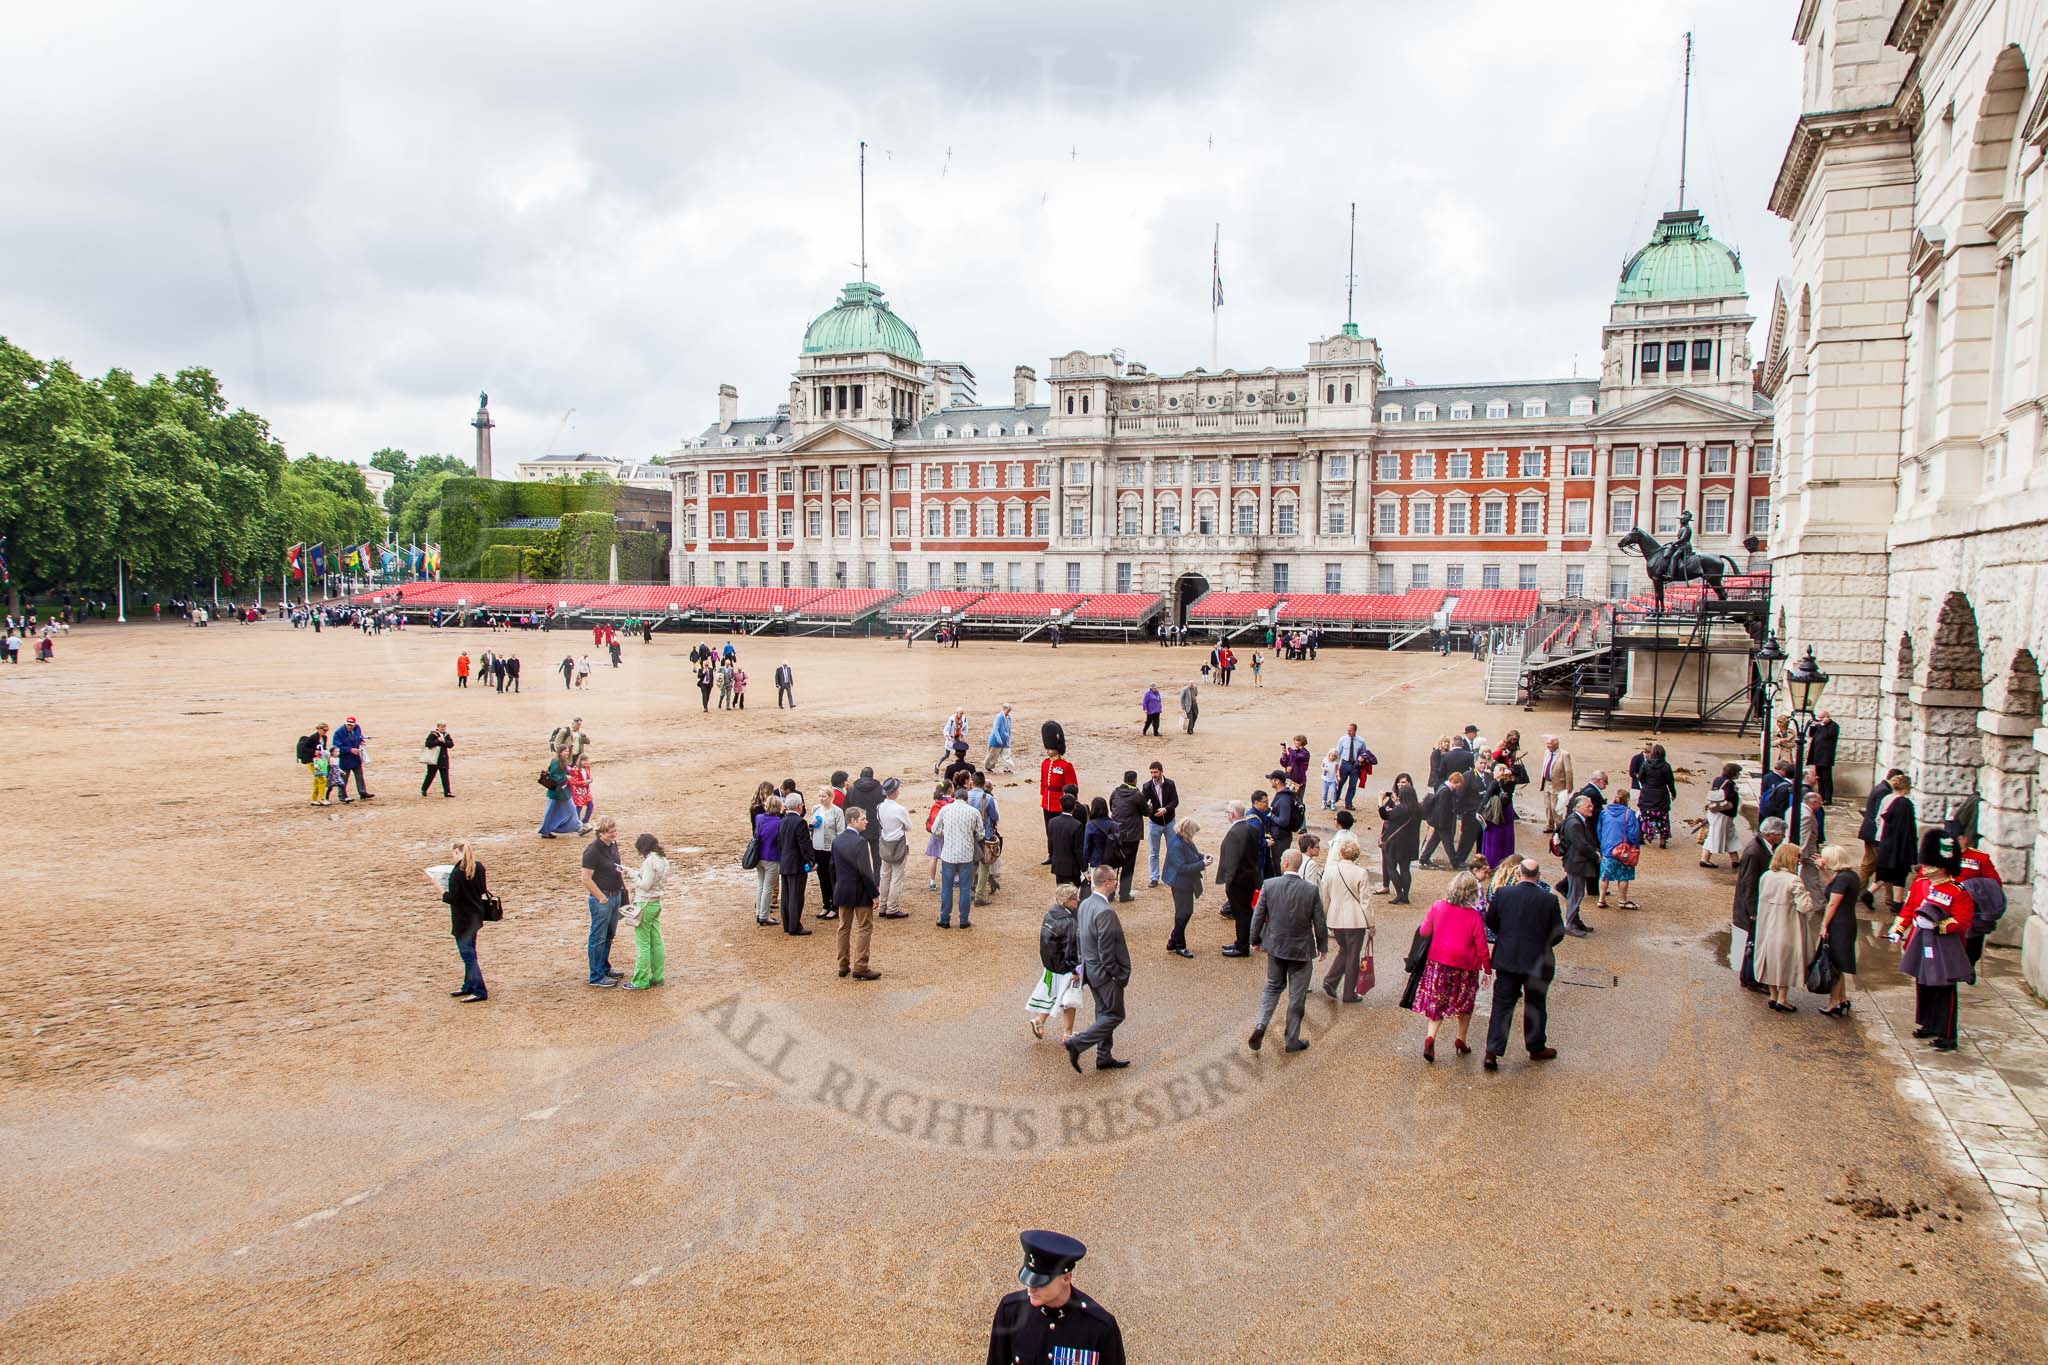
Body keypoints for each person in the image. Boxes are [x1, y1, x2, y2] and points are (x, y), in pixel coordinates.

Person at [985, 1230, 1125, 1365]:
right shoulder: (1010, 1311)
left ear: (1066, 1278)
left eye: (1041, 1282)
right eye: (1029, 1280)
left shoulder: (1099, 1327)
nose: (1031, 1288)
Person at [1894, 830, 1975, 1051]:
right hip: (1921, 941)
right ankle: (1928, 1023)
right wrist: (1899, 928)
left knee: (1943, 989)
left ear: (1942, 866)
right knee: (1923, 984)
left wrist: (1939, 926)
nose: (1925, 870)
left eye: (1930, 866)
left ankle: (1948, 1034)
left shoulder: (1957, 891)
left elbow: (1963, 921)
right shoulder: (1921, 884)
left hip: (1943, 946)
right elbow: (1909, 908)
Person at [1482, 860, 1564, 1069]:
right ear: (1538, 875)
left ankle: (1493, 1050)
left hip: (1508, 957)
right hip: (1537, 960)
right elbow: (1558, 933)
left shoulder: (1503, 894)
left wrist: (1506, 936)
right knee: (1535, 1005)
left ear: (1519, 874)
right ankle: (1535, 1047)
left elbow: (1491, 921)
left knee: (1502, 1005)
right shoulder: (1549, 900)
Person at [1247, 849, 1327, 1053]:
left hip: (1276, 945)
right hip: (1301, 949)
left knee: (1272, 987)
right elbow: (1319, 921)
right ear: (1299, 865)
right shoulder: (1310, 890)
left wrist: (1254, 939)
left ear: (1284, 864)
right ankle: (1292, 1039)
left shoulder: (1270, 885)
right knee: (1296, 996)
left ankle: (1260, 1025)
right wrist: (1322, 946)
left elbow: (1258, 916)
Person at [1413, 872, 1492, 1062]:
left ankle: (1431, 1036)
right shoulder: (1473, 916)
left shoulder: (1437, 906)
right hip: (1465, 966)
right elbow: (1481, 946)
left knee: (1437, 1002)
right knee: (1465, 1003)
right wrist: (1487, 969)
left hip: (1438, 961)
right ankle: (1460, 1039)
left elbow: (1424, 931)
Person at [1065, 867, 1132, 1071]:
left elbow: (1079, 936)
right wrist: (1117, 974)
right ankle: (1079, 1043)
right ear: (1108, 883)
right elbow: (1106, 951)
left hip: (1090, 970)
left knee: (1103, 1012)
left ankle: (1104, 1056)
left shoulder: (1085, 904)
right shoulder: (1105, 911)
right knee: (1115, 1015)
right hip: (1105, 974)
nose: (1117, 882)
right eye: (1115, 879)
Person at [1754, 842, 1816, 1012]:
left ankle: (1773, 995)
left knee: (1771, 960)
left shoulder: (1766, 876)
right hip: (1787, 925)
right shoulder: (1793, 880)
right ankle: (1782, 998)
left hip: (1767, 924)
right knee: (1785, 961)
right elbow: (1805, 906)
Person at [1732, 817, 1788, 991]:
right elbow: (1748, 883)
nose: (1783, 837)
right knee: (1754, 945)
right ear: (1771, 835)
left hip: (1757, 904)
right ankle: (1751, 979)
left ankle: (1752, 977)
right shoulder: (1754, 852)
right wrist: (1753, 911)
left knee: (1755, 944)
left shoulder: (1762, 847)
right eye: (1781, 834)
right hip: (1753, 906)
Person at [1319, 838, 1373, 1003]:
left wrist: (1323, 918)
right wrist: (1371, 923)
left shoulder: (1329, 871)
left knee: (1345, 950)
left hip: (1335, 918)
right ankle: (1348, 992)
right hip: (1355, 920)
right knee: (1352, 954)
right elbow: (1366, 901)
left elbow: (1325, 898)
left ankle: (1331, 980)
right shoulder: (1361, 873)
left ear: (1341, 853)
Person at [831, 807, 881, 980]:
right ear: (852, 821)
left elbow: (832, 868)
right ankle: (860, 965)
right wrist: (874, 893)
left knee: (844, 927)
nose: (866, 821)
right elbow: (865, 872)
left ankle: (843, 964)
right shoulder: (860, 842)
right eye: (862, 819)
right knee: (864, 927)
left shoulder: (837, 841)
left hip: (843, 888)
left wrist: (835, 887)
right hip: (859, 891)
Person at [1029, 886, 1085, 1041]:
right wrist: (1076, 970)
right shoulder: (1069, 922)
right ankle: (1067, 1034)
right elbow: (1071, 949)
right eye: (1074, 898)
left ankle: (1039, 1021)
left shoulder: (1050, 914)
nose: (1077, 900)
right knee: (1069, 1000)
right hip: (1065, 967)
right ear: (1065, 900)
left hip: (1051, 965)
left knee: (1053, 994)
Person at [1812, 843, 1861, 1017]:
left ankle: (1834, 1001)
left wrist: (1824, 924)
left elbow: (1833, 903)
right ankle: (1842, 998)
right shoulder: (1850, 876)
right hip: (1847, 922)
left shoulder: (1842, 879)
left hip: (1838, 924)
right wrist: (1824, 871)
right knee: (1839, 962)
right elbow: (1832, 887)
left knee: (1835, 963)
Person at [441, 840, 492, 1003]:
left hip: (462, 920)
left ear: (456, 852)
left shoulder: (456, 874)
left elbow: (452, 898)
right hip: (476, 917)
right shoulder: (478, 867)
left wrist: (440, 889)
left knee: (468, 956)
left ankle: (479, 990)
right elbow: (482, 890)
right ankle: (468, 985)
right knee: (470, 952)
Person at [580, 818, 628, 987]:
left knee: (609, 935)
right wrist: (600, 897)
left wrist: (623, 890)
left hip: (615, 896)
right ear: (601, 833)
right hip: (602, 899)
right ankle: (596, 976)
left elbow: (616, 869)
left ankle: (604, 967)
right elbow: (586, 878)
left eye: (615, 831)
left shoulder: (613, 845)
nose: (614, 834)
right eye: (610, 832)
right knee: (598, 937)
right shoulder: (592, 851)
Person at [1217, 799, 1265, 958]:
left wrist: (1228, 882)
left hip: (1238, 880)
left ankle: (1242, 946)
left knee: (1241, 914)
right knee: (1243, 913)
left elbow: (1232, 861)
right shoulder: (1251, 828)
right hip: (1249, 876)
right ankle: (1241, 942)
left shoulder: (1234, 833)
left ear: (1232, 815)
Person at [935, 781, 983, 929]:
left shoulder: (945, 809)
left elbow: (935, 830)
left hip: (948, 854)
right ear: (966, 798)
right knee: (964, 888)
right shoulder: (973, 812)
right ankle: (963, 919)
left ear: (954, 797)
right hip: (966, 855)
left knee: (946, 888)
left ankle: (944, 919)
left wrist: (946, 833)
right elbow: (981, 834)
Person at [626, 833, 669, 989]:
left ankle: (640, 980)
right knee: (656, 941)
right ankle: (657, 976)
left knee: (643, 944)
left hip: (644, 903)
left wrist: (631, 874)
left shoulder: (650, 861)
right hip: (656, 903)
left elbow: (644, 885)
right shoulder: (663, 860)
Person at [1872, 772, 1918, 916]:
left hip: (1884, 840)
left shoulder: (1888, 799)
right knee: (1897, 873)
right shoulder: (1904, 804)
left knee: (1886, 872)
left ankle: (1889, 899)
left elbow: (1880, 818)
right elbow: (1907, 829)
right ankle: (1895, 902)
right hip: (1896, 844)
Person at [1160, 817, 1207, 958]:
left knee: (1185, 913)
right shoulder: (1176, 844)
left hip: (1185, 882)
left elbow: (1194, 855)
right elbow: (1181, 868)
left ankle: (1173, 941)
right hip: (1179, 883)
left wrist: (1203, 858)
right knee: (1183, 914)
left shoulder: (1184, 840)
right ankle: (1180, 945)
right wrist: (1202, 864)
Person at [1557, 793, 1600, 936]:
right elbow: (1581, 845)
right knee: (1576, 894)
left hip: (1576, 862)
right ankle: (1569, 924)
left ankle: (1575, 921)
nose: (1591, 808)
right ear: (1579, 807)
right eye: (1588, 806)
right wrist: (1595, 856)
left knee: (1576, 893)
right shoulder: (1575, 823)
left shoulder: (1576, 820)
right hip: (1577, 863)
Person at [1377, 775, 1422, 904]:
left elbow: (1385, 815)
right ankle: (1405, 895)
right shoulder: (1417, 807)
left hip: (1396, 842)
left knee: (1391, 867)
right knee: (1405, 869)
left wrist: (1381, 801)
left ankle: (1400, 894)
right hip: (1411, 841)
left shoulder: (1401, 808)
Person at [1595, 788, 1642, 910]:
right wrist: (1635, 847)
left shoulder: (1604, 813)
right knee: (1623, 875)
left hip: (1607, 849)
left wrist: (1603, 844)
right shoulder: (1629, 814)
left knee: (1604, 875)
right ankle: (1622, 900)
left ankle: (1601, 899)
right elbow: (1633, 833)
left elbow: (1599, 830)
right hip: (1623, 850)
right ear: (1627, 800)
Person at [874, 777, 912, 919]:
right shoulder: (900, 809)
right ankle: (892, 908)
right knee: (896, 877)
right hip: (899, 844)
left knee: (885, 876)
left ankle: (883, 906)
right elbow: (909, 827)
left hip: (885, 842)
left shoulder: (880, 807)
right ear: (895, 791)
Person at [777, 793, 813, 936]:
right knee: (796, 896)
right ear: (799, 806)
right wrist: (810, 861)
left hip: (785, 862)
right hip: (796, 863)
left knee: (786, 896)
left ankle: (787, 924)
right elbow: (804, 845)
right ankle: (794, 926)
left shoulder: (783, 821)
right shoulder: (800, 822)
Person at [1107, 771, 1145, 902]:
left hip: (1116, 833)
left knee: (1113, 863)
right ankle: (1124, 894)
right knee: (1128, 865)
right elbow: (1147, 811)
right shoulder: (1137, 795)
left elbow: (1111, 806)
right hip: (1132, 835)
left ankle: (1109, 893)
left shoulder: (1115, 792)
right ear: (1134, 780)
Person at [1140, 761, 1179, 888]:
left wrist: (1165, 809)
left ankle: (1172, 876)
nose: (1153, 775)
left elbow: (1175, 801)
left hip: (1169, 821)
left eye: (1155, 772)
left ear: (1161, 771)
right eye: (1151, 772)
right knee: (1153, 852)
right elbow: (1142, 804)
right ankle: (1154, 877)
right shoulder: (1146, 786)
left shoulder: (1170, 784)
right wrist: (1148, 808)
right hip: (1154, 822)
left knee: (1172, 850)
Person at [810, 786, 845, 919]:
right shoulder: (816, 810)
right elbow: (811, 827)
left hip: (831, 848)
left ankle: (835, 906)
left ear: (830, 797)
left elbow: (841, 831)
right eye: (820, 796)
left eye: (824, 796)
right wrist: (811, 825)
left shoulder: (837, 811)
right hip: (818, 848)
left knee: (832, 878)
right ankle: (826, 904)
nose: (821, 799)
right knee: (822, 877)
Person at [751, 794, 785, 925]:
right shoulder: (779, 823)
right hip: (772, 857)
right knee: (768, 888)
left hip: (759, 856)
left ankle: (759, 912)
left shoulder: (759, 818)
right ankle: (764, 915)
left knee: (760, 885)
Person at [1635, 743, 1675, 849]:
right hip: (1661, 795)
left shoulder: (1645, 764)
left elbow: (1640, 778)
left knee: (1645, 816)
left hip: (1647, 794)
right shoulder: (1666, 766)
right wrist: (1673, 793)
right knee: (1663, 818)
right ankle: (1662, 839)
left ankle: (1642, 835)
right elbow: (1670, 782)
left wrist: (1646, 785)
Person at [1702, 762, 1742, 868]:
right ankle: (1704, 859)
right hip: (1724, 813)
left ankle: (1735, 859)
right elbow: (1728, 796)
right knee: (1716, 835)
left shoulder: (1718, 780)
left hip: (1716, 811)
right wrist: (1735, 793)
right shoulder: (1729, 784)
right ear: (1733, 773)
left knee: (1730, 836)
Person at [1420, 770, 1462, 869]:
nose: (1457, 788)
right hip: (1442, 822)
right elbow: (1442, 809)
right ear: (1453, 782)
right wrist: (1443, 824)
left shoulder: (1442, 787)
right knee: (1448, 843)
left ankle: (1424, 858)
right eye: (1458, 785)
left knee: (1434, 840)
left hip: (1438, 820)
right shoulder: (1446, 792)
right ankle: (1454, 862)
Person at [1477, 762, 1517, 867]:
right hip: (1507, 811)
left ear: (1500, 772)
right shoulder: (1511, 781)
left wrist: (1479, 811)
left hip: (1496, 812)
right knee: (1506, 836)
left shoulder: (1494, 783)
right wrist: (1511, 771)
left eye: (1495, 770)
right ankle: (1506, 861)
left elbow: (1486, 797)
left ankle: (1492, 861)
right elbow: (1522, 774)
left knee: (1493, 838)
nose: (1493, 772)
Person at [539, 744, 580, 837]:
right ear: (560, 752)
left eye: (568, 751)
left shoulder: (563, 761)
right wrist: (565, 777)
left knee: (554, 812)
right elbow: (554, 776)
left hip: (562, 792)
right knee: (565, 810)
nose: (567, 753)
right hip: (557, 792)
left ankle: (546, 831)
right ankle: (578, 827)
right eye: (565, 751)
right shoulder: (555, 762)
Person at [1046, 795, 1086, 889]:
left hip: (1058, 865)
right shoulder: (1077, 825)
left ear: (1060, 806)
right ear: (1074, 807)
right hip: (1072, 867)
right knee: (1073, 893)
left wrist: (1053, 857)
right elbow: (1078, 850)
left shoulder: (1052, 822)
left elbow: (1050, 844)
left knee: (1061, 892)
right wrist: (1084, 868)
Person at [1536, 736, 1575, 834]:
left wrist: (1569, 787)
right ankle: (1549, 825)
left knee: (1556, 808)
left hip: (1558, 785)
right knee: (1548, 806)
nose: (1548, 746)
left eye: (1550, 744)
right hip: (1547, 783)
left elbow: (1568, 771)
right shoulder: (1546, 752)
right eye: (1547, 744)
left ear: (1556, 745)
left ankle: (1559, 827)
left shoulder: (1564, 755)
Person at [332, 716, 373, 800]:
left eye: (351, 725)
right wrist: (349, 750)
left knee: (359, 776)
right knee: (344, 778)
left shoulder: (357, 728)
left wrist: (361, 741)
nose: (349, 726)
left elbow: (359, 736)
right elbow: (337, 746)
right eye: (348, 725)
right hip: (345, 758)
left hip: (355, 757)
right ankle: (342, 795)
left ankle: (362, 792)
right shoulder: (339, 733)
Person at [1334, 724, 1372, 810]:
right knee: (1339, 783)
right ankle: (1334, 799)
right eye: (1348, 730)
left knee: (1352, 785)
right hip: (1344, 763)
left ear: (1355, 730)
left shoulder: (1361, 741)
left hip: (1355, 765)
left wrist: (1362, 758)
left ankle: (1348, 803)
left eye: (1351, 730)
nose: (1349, 732)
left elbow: (1364, 753)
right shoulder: (1342, 739)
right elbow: (1338, 753)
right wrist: (1336, 766)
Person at [1039, 747, 1077, 831]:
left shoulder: (1066, 765)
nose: (1048, 750)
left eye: (1051, 748)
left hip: (1060, 803)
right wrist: (1044, 796)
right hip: (1047, 802)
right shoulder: (1045, 763)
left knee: (1061, 831)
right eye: (1048, 748)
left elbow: (1072, 787)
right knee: (1049, 830)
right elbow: (1043, 783)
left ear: (1057, 749)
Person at [1807, 709, 1840, 805]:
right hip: (1817, 755)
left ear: (1827, 717)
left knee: (1826, 778)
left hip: (1826, 757)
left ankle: (1827, 798)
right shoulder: (1820, 726)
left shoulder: (1833, 726)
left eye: (1822, 718)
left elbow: (1827, 736)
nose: (1820, 720)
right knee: (1819, 778)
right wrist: (1813, 725)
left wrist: (1824, 725)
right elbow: (1811, 734)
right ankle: (1821, 795)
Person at [418, 722, 455, 798]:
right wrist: (438, 741)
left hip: (443, 758)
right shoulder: (433, 735)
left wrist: (444, 741)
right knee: (430, 776)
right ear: (438, 727)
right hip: (434, 759)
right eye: (442, 727)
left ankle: (447, 792)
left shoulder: (446, 735)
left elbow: (451, 745)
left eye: (444, 727)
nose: (443, 729)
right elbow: (428, 744)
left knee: (445, 776)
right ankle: (424, 789)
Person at [984, 704, 1016, 774]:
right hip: (995, 741)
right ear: (1004, 709)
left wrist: (1008, 739)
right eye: (1008, 710)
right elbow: (995, 729)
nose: (1009, 712)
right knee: (992, 755)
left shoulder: (1009, 717)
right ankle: (988, 767)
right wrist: (998, 739)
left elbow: (1009, 729)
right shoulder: (999, 717)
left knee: (1006, 755)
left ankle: (1008, 768)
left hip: (1005, 740)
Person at [567, 755, 594, 832]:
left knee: (590, 805)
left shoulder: (587, 768)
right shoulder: (575, 770)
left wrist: (590, 780)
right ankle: (577, 824)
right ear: (580, 761)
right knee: (579, 807)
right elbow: (574, 782)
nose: (586, 762)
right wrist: (584, 782)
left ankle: (585, 821)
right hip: (578, 792)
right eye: (584, 760)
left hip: (586, 790)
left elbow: (587, 778)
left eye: (587, 760)